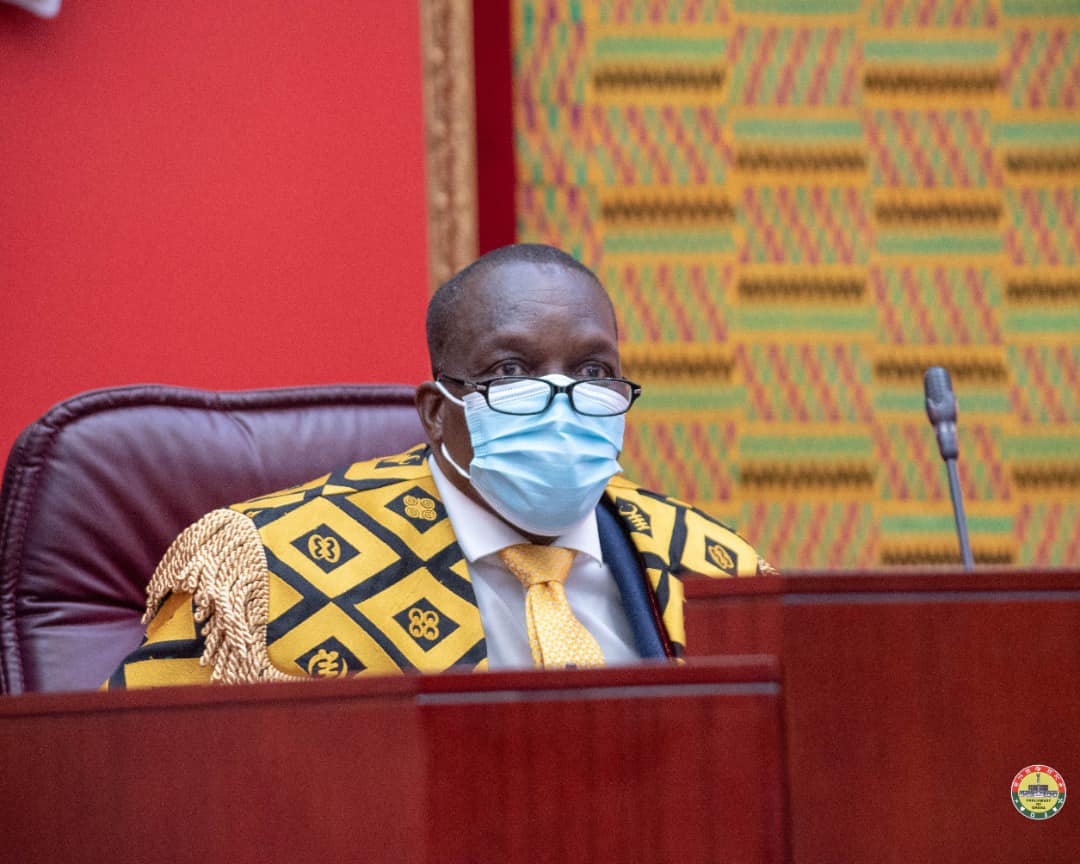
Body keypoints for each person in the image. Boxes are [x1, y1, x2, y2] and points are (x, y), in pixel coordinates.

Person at [105, 244, 775, 689]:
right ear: (435, 411)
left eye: (594, 370)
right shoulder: (263, 573)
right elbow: (141, 777)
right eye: (510, 370)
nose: (562, 398)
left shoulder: (716, 568)